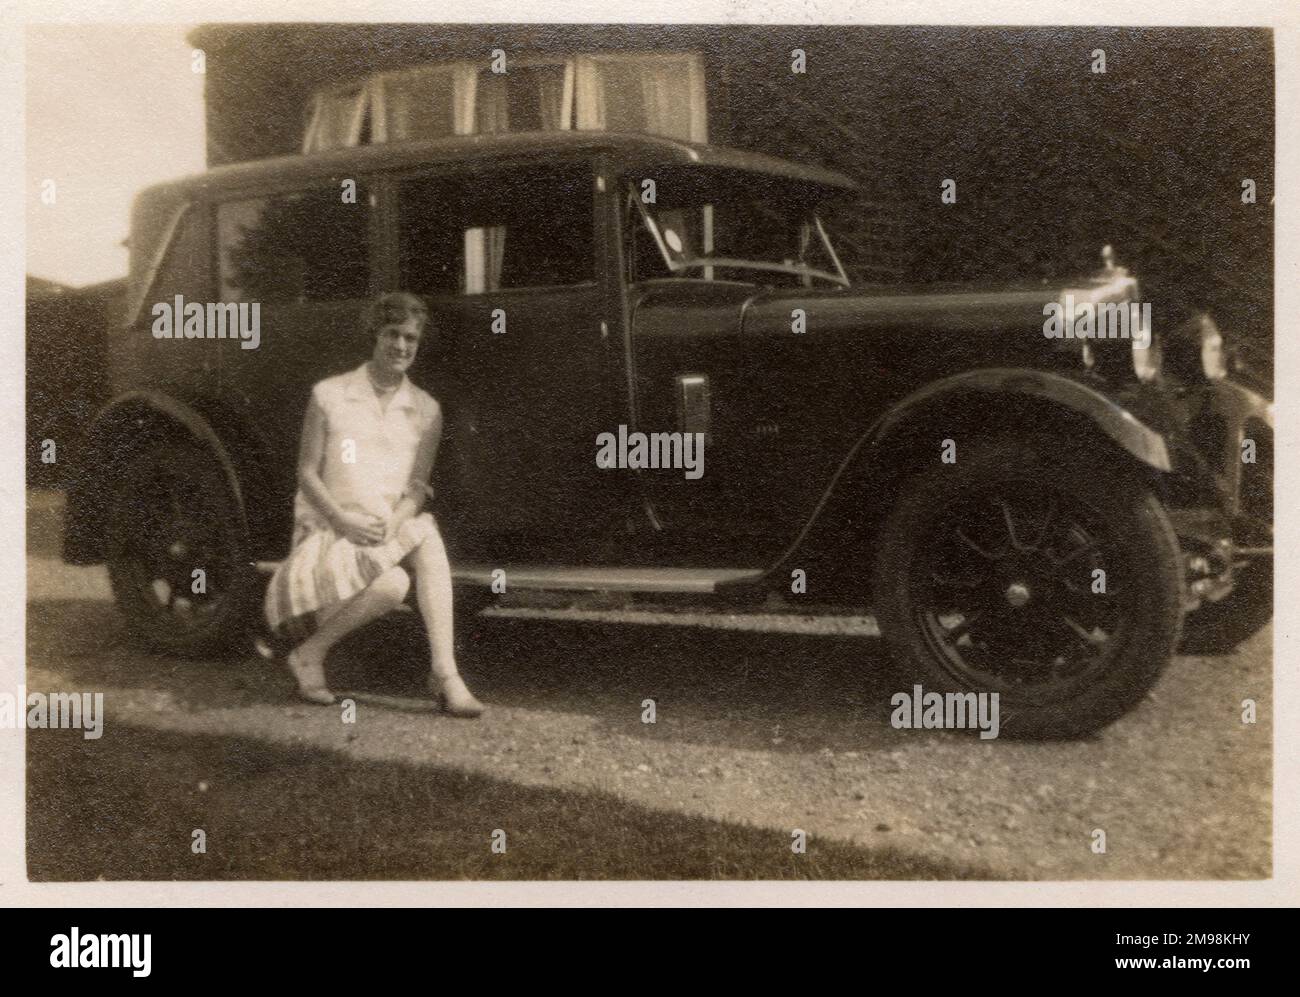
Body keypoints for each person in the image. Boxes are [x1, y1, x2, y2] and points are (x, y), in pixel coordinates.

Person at [263, 291, 484, 717]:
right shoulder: (330, 394)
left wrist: (395, 519)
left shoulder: (425, 409)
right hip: (327, 534)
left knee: (424, 533)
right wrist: (343, 521)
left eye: (410, 338)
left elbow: (418, 487)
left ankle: (444, 671)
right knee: (394, 585)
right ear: (374, 336)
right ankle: (309, 653)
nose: (401, 346)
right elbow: (306, 474)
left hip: (381, 532)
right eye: (392, 334)